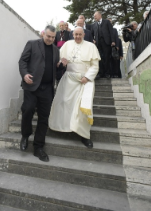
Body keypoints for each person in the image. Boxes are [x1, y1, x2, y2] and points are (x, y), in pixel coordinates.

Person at [49, 27, 100, 148]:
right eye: (75, 34)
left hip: (84, 81)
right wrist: (60, 63)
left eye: (79, 34)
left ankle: (84, 135)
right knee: (64, 102)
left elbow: (95, 66)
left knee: (82, 107)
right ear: (72, 34)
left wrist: (87, 77)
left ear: (83, 34)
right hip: (69, 79)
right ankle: (64, 127)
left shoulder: (91, 46)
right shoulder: (67, 44)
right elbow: (59, 60)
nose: (77, 37)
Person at [19, 25, 59, 162]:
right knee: (28, 109)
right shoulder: (32, 44)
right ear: (43, 34)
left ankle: (38, 147)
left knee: (44, 118)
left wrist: (62, 65)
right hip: (32, 86)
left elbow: (55, 70)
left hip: (47, 89)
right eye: (48, 36)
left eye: (53, 37)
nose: (51, 39)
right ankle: (25, 135)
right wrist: (24, 75)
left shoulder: (56, 50)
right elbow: (22, 61)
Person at [91, 11, 115, 79]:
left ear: (100, 15)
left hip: (106, 43)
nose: (94, 17)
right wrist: (93, 39)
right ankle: (101, 73)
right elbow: (91, 34)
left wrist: (113, 41)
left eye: (95, 15)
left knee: (106, 58)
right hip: (98, 44)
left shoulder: (107, 22)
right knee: (99, 58)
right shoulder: (94, 25)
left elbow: (111, 31)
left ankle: (107, 73)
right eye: (94, 16)